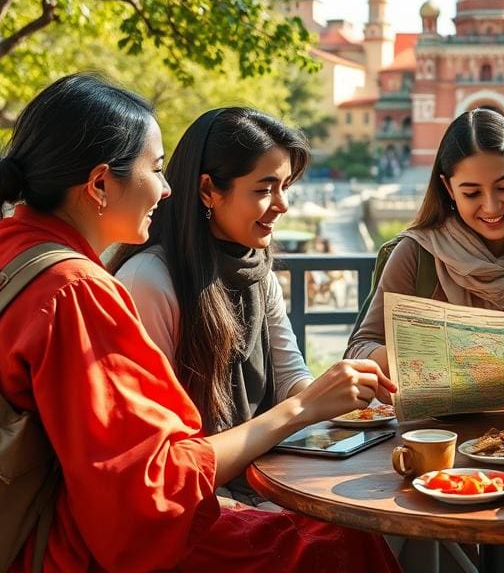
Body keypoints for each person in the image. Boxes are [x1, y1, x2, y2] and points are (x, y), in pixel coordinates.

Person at [0, 75, 399, 572]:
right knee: (345, 545)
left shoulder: (19, 255)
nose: (168, 189)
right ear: (100, 184)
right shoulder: (78, 291)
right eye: (156, 169)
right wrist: (299, 409)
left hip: (49, 526)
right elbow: (154, 485)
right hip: (72, 547)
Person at [109, 108, 316, 506]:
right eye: (264, 190)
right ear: (208, 190)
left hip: (264, 479)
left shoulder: (257, 270)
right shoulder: (149, 281)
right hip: (195, 497)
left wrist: (339, 398)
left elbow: (291, 376)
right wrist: (306, 406)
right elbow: (151, 451)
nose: (283, 204)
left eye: (286, 186)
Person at [345, 107, 504, 412]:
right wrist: (417, 359)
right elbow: (359, 349)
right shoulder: (416, 254)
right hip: (435, 435)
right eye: (472, 193)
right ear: (448, 188)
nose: (491, 206)